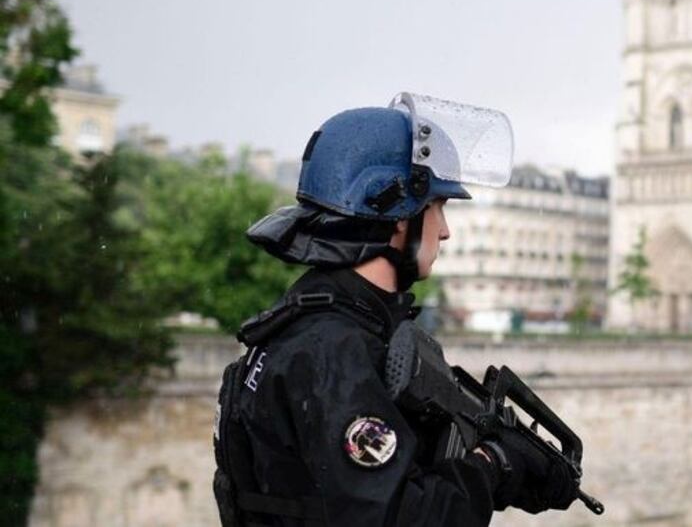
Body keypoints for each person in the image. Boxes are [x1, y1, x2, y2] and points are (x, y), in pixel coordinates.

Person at [212, 92, 579, 526]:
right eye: (437, 208)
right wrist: (492, 464)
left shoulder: (307, 325)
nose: (444, 232)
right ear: (398, 214)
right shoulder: (336, 348)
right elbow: (399, 518)